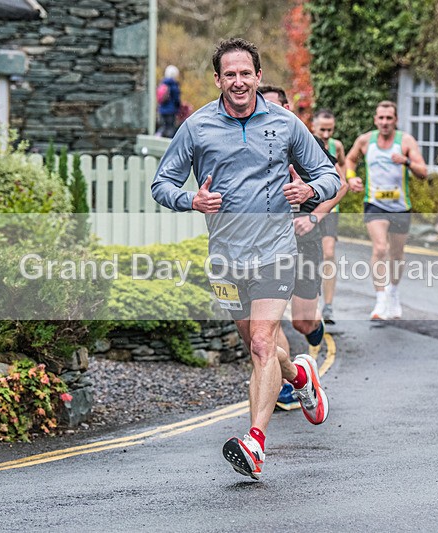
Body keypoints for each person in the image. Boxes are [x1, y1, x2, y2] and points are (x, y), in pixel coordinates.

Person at [151, 38, 340, 480]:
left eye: (246, 73)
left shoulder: (286, 124)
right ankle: (299, 376)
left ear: (258, 76)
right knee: (261, 347)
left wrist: (310, 191)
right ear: (217, 79)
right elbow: (162, 184)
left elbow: (329, 175)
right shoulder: (196, 128)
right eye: (229, 74)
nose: (238, 81)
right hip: (226, 258)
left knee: (261, 342)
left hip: (275, 250)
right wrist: (190, 200)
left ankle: (255, 441)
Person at [258, 86, 346, 410]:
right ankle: (284, 383)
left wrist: (313, 214)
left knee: (301, 322)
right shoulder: (250, 143)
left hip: (305, 238)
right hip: (267, 242)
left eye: (273, 106)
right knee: (268, 321)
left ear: (287, 107)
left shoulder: (305, 141)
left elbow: (339, 184)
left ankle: (315, 326)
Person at [345, 101, 427, 320]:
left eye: (389, 118)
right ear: (375, 120)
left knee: (397, 254)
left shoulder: (405, 141)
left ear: (395, 120)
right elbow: (350, 160)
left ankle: (393, 292)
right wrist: (351, 179)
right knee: (380, 248)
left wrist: (406, 161)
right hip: (375, 203)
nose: (384, 122)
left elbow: (423, 171)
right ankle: (381, 300)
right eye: (381, 118)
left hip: (400, 206)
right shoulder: (365, 140)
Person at [311, 109, 346, 325]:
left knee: (329, 253)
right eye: (322, 129)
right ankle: (311, 301)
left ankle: (329, 306)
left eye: (329, 130)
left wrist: (352, 177)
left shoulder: (337, 146)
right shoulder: (307, 142)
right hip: (309, 210)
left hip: (331, 209)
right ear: (313, 127)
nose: (325, 134)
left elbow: (343, 171)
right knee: (310, 256)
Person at [157, 65, 181, 138]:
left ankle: (158, 138)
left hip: (162, 110)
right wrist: (178, 108)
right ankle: (170, 145)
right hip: (170, 111)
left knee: (163, 127)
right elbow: (176, 99)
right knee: (170, 128)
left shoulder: (163, 83)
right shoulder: (173, 85)